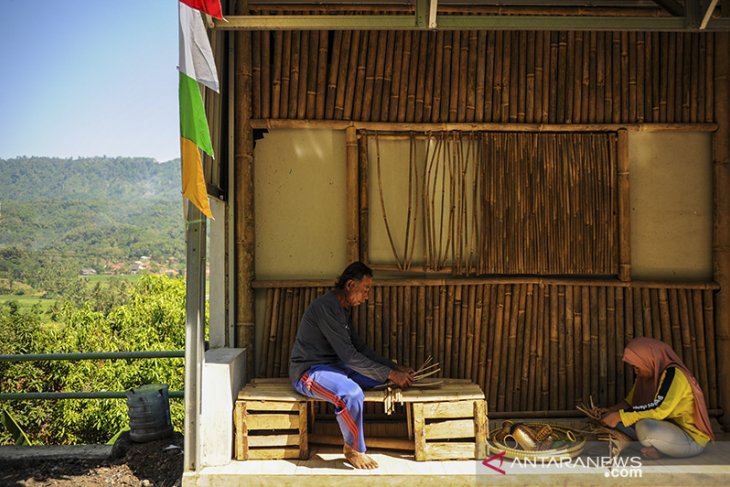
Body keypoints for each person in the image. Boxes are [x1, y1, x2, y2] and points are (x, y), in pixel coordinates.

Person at [288, 261, 415, 469]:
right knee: (352, 394)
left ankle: (354, 442)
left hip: (335, 367)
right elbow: (350, 357)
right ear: (349, 285)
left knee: (380, 377)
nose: (367, 295)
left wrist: (394, 368)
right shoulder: (326, 308)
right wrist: (391, 373)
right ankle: (353, 449)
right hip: (309, 372)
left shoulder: (341, 309)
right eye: (365, 289)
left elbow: (360, 349)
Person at [599, 337, 714, 459]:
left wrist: (618, 416)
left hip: (689, 439)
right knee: (616, 424)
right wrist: (610, 411)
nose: (635, 371)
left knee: (645, 427)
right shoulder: (646, 377)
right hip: (666, 431)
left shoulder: (674, 375)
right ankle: (657, 449)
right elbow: (629, 403)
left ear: (649, 360)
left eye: (637, 367)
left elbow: (659, 409)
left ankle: (661, 450)